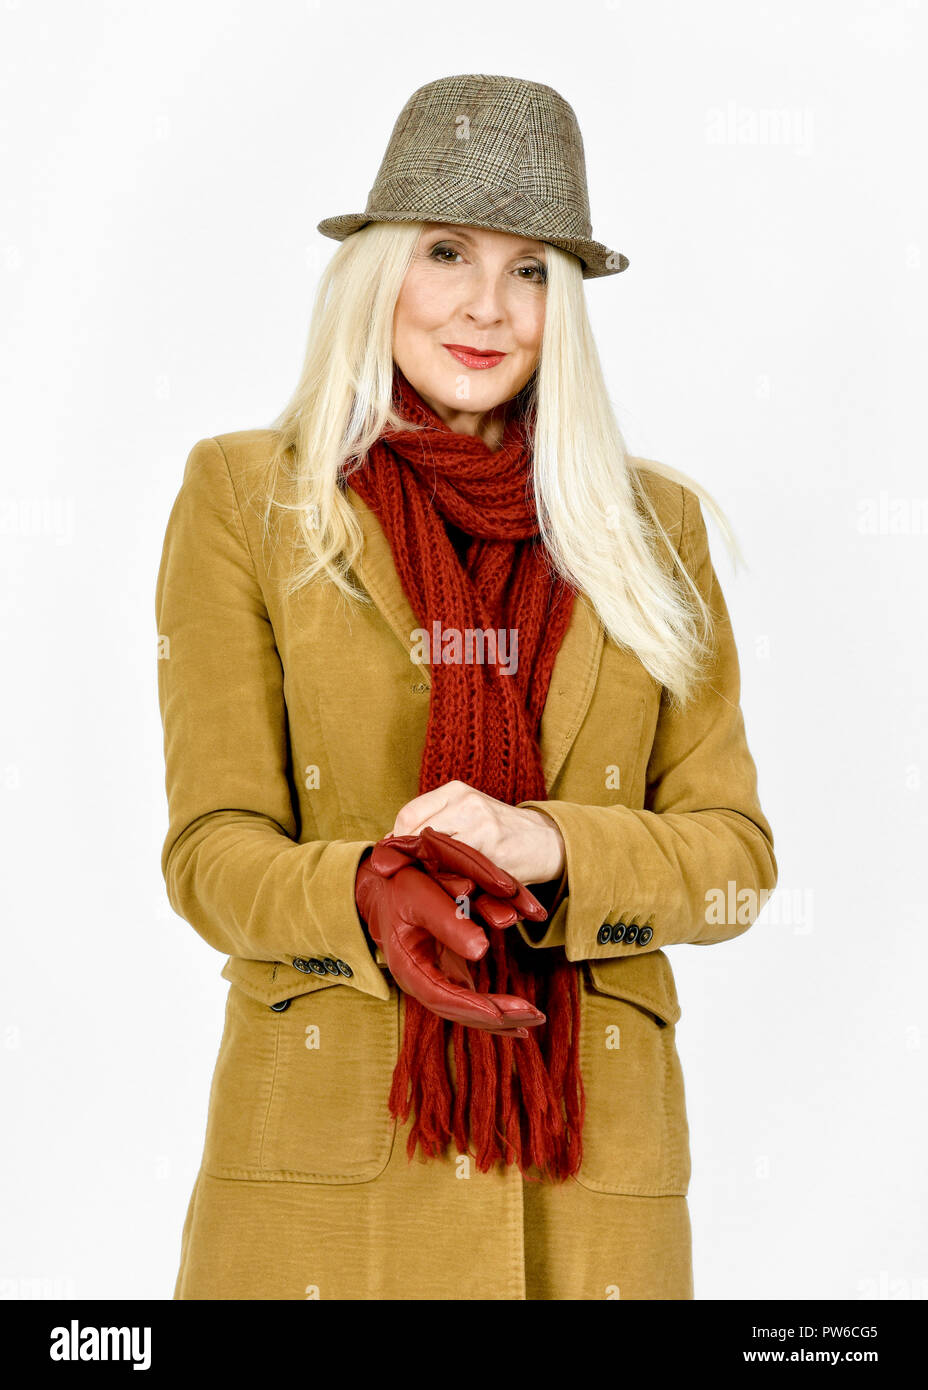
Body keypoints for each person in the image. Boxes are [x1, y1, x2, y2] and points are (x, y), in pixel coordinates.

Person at [155, 73, 777, 1300]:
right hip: (330, 1176)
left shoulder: (657, 526)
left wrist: (546, 841)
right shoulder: (248, 497)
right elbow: (208, 856)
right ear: (380, 269)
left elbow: (737, 867)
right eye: (446, 252)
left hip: (586, 1177)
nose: (488, 306)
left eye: (533, 269)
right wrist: (362, 885)